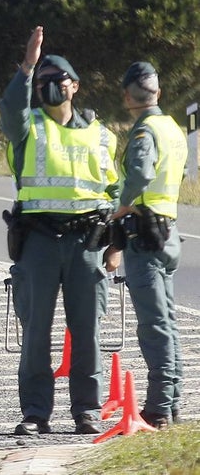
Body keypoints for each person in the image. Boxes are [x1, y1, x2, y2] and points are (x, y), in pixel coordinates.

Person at [0, 26, 118, 436]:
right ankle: (35, 413)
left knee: (87, 331)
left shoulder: (101, 134)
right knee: (36, 331)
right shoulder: (26, 126)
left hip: (87, 244)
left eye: (58, 81)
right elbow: (9, 109)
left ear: (76, 87)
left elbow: (115, 191)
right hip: (39, 242)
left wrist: (114, 247)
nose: (51, 87)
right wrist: (27, 67)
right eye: (44, 82)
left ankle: (86, 410)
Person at [105, 61, 187, 429]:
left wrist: (117, 209)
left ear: (127, 96)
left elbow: (139, 174)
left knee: (153, 325)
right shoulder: (172, 128)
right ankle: (171, 402)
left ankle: (157, 408)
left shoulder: (145, 132)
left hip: (145, 236)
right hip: (167, 232)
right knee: (166, 322)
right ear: (159, 93)